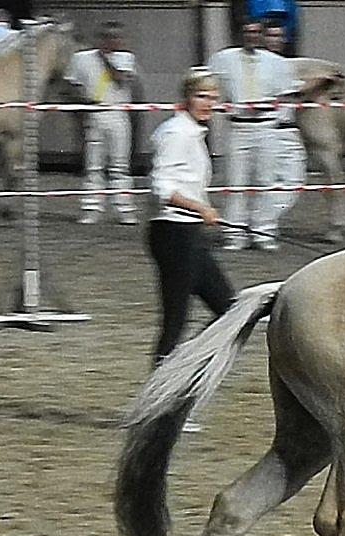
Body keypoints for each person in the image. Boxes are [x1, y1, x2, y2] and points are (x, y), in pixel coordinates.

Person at [147, 66, 235, 391]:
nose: (208, 103)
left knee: (229, 310)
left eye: (213, 98)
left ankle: (183, 376)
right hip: (173, 234)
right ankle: (161, 398)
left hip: (190, 233)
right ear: (186, 97)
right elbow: (161, 188)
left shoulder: (194, 133)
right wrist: (200, 208)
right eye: (201, 96)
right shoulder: (177, 133)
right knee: (175, 321)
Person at [207, 18, 291, 251]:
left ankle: (264, 232)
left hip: (266, 127)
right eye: (247, 32)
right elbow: (207, 84)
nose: (251, 36)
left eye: (256, 32)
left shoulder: (276, 63)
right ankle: (235, 234)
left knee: (265, 181)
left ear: (262, 35)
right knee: (236, 183)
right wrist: (222, 106)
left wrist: (269, 107)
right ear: (240, 34)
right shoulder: (223, 59)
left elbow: (286, 95)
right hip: (238, 127)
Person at [66, 20, 140, 225]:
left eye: (117, 37)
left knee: (119, 166)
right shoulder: (81, 59)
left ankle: (124, 209)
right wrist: (82, 101)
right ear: (100, 38)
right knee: (93, 165)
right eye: (108, 37)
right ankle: (91, 208)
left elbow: (120, 80)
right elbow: (71, 84)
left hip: (118, 114)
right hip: (94, 114)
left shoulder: (126, 58)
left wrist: (104, 58)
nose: (113, 41)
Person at [262, 19, 305, 231]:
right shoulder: (261, 65)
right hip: (267, 128)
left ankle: (264, 222)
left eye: (279, 36)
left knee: (294, 182)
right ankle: (262, 226)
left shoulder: (285, 64)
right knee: (265, 182)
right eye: (271, 36)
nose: (276, 41)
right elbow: (295, 92)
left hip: (288, 129)